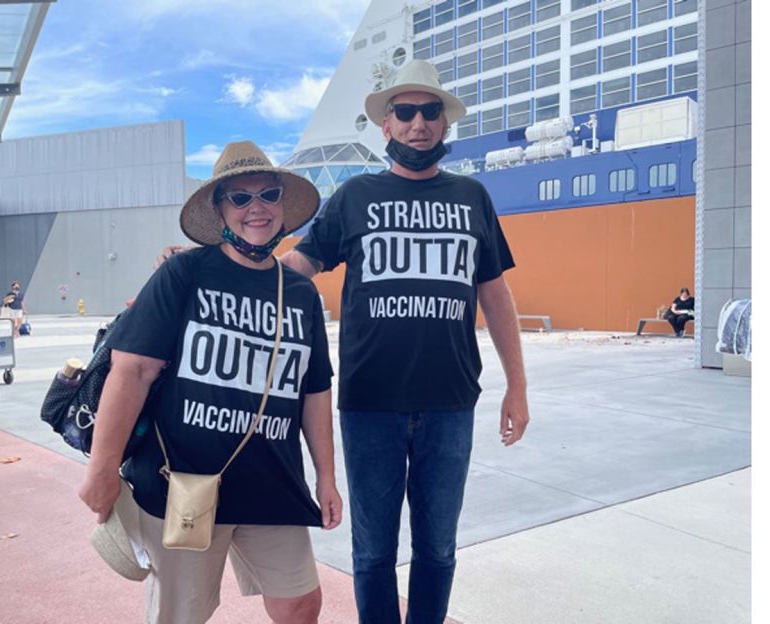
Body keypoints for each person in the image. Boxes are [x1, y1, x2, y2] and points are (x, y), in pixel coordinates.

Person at [158, 60, 531, 624]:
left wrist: (517, 387)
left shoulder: (471, 198)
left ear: (444, 123)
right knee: (374, 552)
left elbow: (495, 294)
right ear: (385, 124)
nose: (418, 124)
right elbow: (292, 269)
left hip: (450, 404)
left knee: (437, 549)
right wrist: (210, 271)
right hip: (369, 406)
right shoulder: (356, 196)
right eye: (404, 112)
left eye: (430, 112)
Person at [80, 141, 343, 624]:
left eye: (268, 194)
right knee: (182, 615)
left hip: (272, 481)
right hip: (184, 481)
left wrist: (326, 476)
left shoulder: (300, 293)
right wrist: (102, 469)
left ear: (283, 205)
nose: (256, 208)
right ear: (220, 208)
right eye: (240, 198)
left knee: (301, 603)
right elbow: (132, 370)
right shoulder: (185, 273)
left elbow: (315, 391)